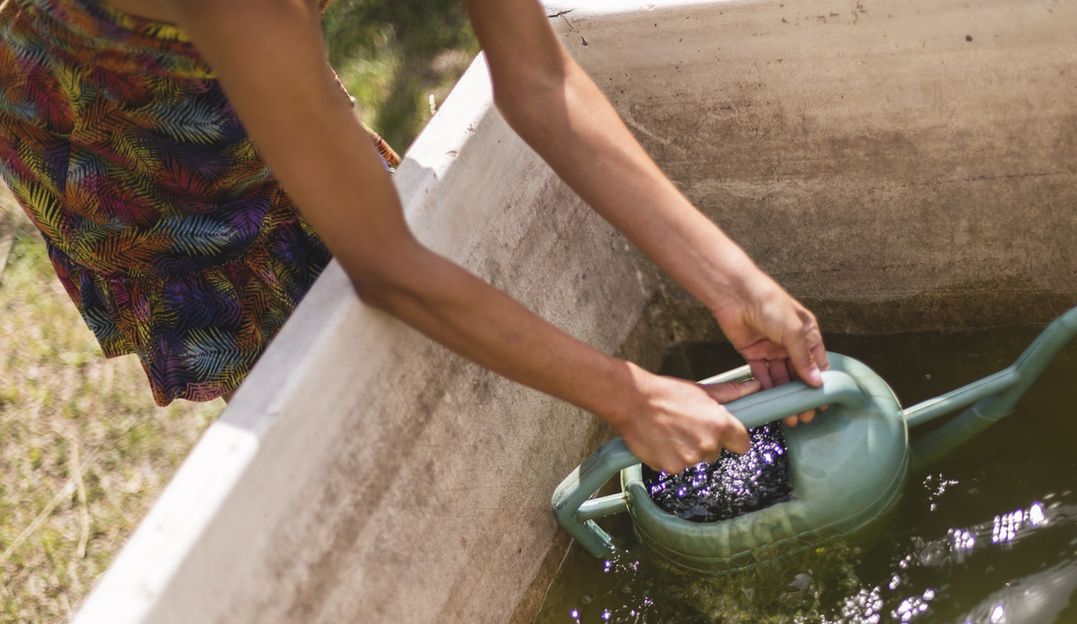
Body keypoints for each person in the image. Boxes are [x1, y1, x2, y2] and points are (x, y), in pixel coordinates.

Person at [0, 0, 829, 475]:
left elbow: (539, 78)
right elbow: (387, 266)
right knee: (303, 345)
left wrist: (732, 278)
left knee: (344, 224)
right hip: (125, 106)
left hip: (251, 45)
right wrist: (632, 398)